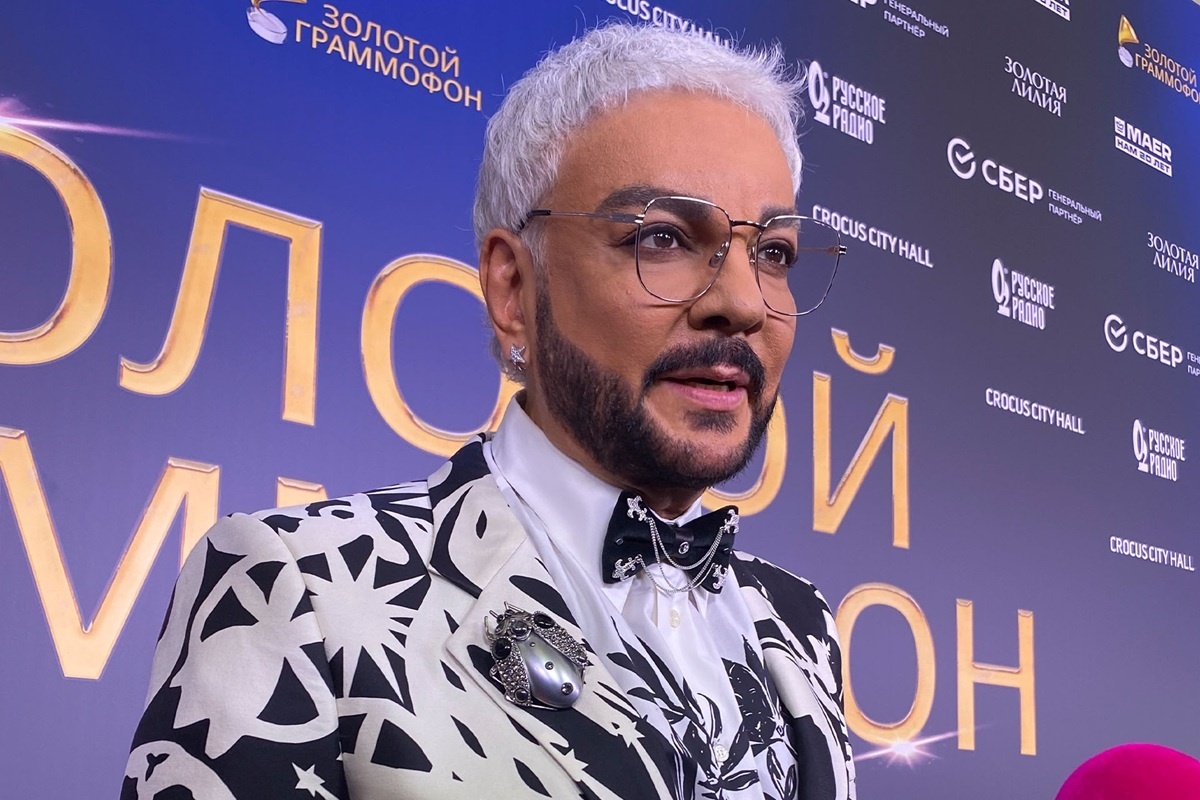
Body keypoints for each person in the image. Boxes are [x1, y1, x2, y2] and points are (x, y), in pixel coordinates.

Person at [122, 23, 854, 800]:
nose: (744, 303)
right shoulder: (298, 586)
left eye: (773, 252)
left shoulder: (799, 622)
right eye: (664, 238)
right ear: (512, 288)